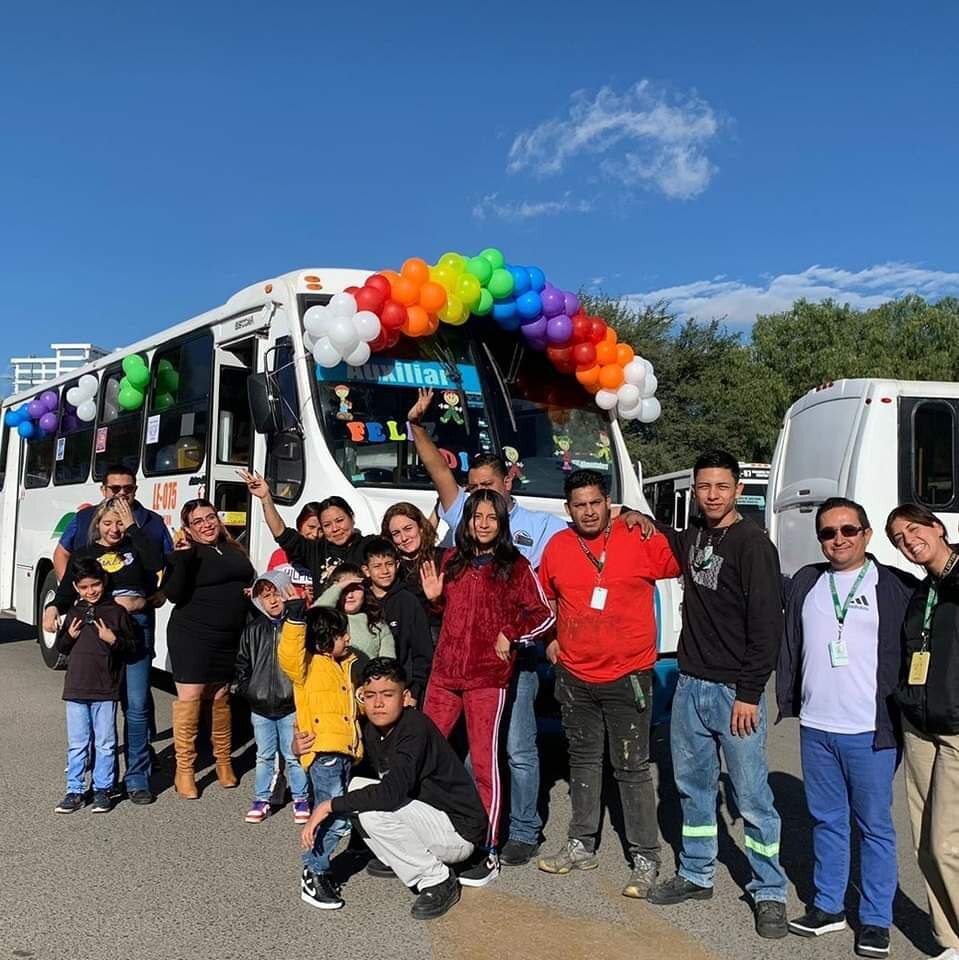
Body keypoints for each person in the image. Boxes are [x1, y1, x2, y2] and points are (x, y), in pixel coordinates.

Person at [408, 387, 568, 866]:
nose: (479, 500)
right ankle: (435, 827)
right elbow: (438, 469)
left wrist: (522, 635)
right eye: (473, 490)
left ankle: (512, 833)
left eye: (487, 488)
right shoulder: (456, 552)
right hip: (452, 670)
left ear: (507, 484)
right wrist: (416, 425)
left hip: (507, 664)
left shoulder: (537, 531)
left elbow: (551, 595)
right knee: (440, 750)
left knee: (511, 751)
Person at [639, 450, 789, 939]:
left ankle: (769, 891)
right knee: (693, 787)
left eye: (721, 487)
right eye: (703, 487)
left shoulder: (753, 545)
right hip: (690, 687)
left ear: (738, 489)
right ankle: (697, 873)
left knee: (751, 798)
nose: (711, 495)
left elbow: (766, 627)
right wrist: (630, 515)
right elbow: (663, 534)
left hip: (733, 694)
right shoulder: (698, 535)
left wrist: (749, 693)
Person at [777, 497, 915, 958]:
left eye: (848, 530)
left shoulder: (895, 586)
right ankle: (828, 906)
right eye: (828, 533)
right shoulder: (807, 582)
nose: (838, 540)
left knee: (874, 827)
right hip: (816, 727)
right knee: (827, 821)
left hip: (870, 730)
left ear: (866, 534)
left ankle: (876, 920)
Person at [536, 469, 680, 899]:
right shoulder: (558, 547)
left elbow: (678, 560)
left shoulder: (637, 537)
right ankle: (582, 844)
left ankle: (646, 857)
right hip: (576, 677)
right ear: (568, 509)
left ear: (609, 504)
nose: (588, 512)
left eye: (595, 503)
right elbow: (544, 599)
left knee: (631, 768)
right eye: (579, 505)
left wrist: (647, 521)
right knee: (582, 761)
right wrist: (550, 640)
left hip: (628, 675)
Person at [420, 489, 555, 886]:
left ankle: (486, 847)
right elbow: (450, 613)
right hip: (444, 675)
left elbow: (545, 616)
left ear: (501, 523)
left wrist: (512, 634)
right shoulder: (453, 561)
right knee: (426, 753)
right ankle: (430, 834)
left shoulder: (515, 566)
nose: (482, 523)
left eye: (490, 517)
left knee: (483, 764)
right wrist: (434, 600)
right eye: (476, 516)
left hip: (486, 678)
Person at [298, 657, 488, 921]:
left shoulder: (414, 727)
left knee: (372, 810)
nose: (378, 703)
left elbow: (390, 794)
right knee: (352, 787)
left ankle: (437, 880)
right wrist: (300, 750)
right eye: (370, 695)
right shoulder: (373, 731)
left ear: (405, 696)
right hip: (429, 819)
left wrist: (327, 806)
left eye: (388, 694)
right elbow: (341, 763)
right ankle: (403, 856)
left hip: (458, 833)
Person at [52, 464, 173, 805]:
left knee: (135, 706)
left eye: (119, 521)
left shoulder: (141, 536)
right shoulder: (87, 551)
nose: (115, 526)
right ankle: (90, 781)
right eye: (108, 522)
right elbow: (67, 586)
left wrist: (133, 529)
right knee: (100, 704)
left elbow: (157, 563)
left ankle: (136, 778)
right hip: (95, 636)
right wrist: (53, 608)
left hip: (135, 629)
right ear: (98, 523)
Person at [887, 503, 959, 960]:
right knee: (924, 844)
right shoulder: (923, 591)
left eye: (915, 529)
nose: (909, 540)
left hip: (955, 727)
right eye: (898, 537)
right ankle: (949, 940)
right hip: (919, 726)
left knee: (946, 842)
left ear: (939, 528)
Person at [164, 499, 255, 799]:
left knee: (220, 697)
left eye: (210, 517)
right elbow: (173, 593)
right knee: (190, 699)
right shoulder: (188, 553)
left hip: (227, 637)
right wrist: (182, 557)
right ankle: (185, 770)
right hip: (192, 635)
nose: (206, 524)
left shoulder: (234, 548)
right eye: (198, 521)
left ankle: (224, 761)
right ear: (188, 529)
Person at [278, 604, 366, 911]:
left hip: (344, 753)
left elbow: (355, 707)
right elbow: (289, 653)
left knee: (334, 813)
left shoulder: (345, 665)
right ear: (322, 640)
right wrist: (295, 618)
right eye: (341, 634)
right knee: (337, 818)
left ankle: (318, 868)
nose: (347, 638)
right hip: (325, 752)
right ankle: (314, 871)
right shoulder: (308, 665)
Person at [53, 558, 135, 815]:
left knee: (105, 743)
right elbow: (61, 647)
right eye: (85, 587)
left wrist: (113, 639)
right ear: (77, 588)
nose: (91, 591)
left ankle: (103, 788)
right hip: (76, 689)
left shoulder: (116, 612)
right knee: (77, 743)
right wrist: (69, 636)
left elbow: (131, 648)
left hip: (104, 689)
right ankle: (75, 790)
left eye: (95, 585)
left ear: (104, 582)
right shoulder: (75, 613)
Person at [235, 571, 310, 825]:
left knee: (294, 755)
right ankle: (261, 798)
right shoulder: (253, 628)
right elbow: (242, 664)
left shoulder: (299, 625)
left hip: (291, 705)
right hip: (261, 706)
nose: (273, 601)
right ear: (258, 601)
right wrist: (248, 689)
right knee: (264, 755)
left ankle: (301, 797)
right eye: (266, 597)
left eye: (276, 593)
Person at [241, 470, 367, 587]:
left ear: (352, 517)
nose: (335, 529)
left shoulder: (369, 545)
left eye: (339, 521)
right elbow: (281, 533)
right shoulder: (316, 550)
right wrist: (265, 497)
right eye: (327, 525)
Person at [361, 536, 434, 703]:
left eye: (389, 564)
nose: (385, 571)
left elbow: (422, 651)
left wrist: (414, 691)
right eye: (377, 566)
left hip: (401, 690)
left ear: (397, 565)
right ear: (366, 570)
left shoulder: (408, 601)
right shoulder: (359, 599)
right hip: (364, 690)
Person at [315, 563, 396, 660]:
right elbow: (314, 614)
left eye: (355, 589)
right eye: (344, 590)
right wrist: (338, 587)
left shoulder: (378, 624)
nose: (350, 596)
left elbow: (387, 663)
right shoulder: (326, 620)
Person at [267, 501, 324, 572]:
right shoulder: (278, 556)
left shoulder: (326, 558)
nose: (315, 534)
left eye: (321, 530)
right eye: (311, 527)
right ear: (300, 525)